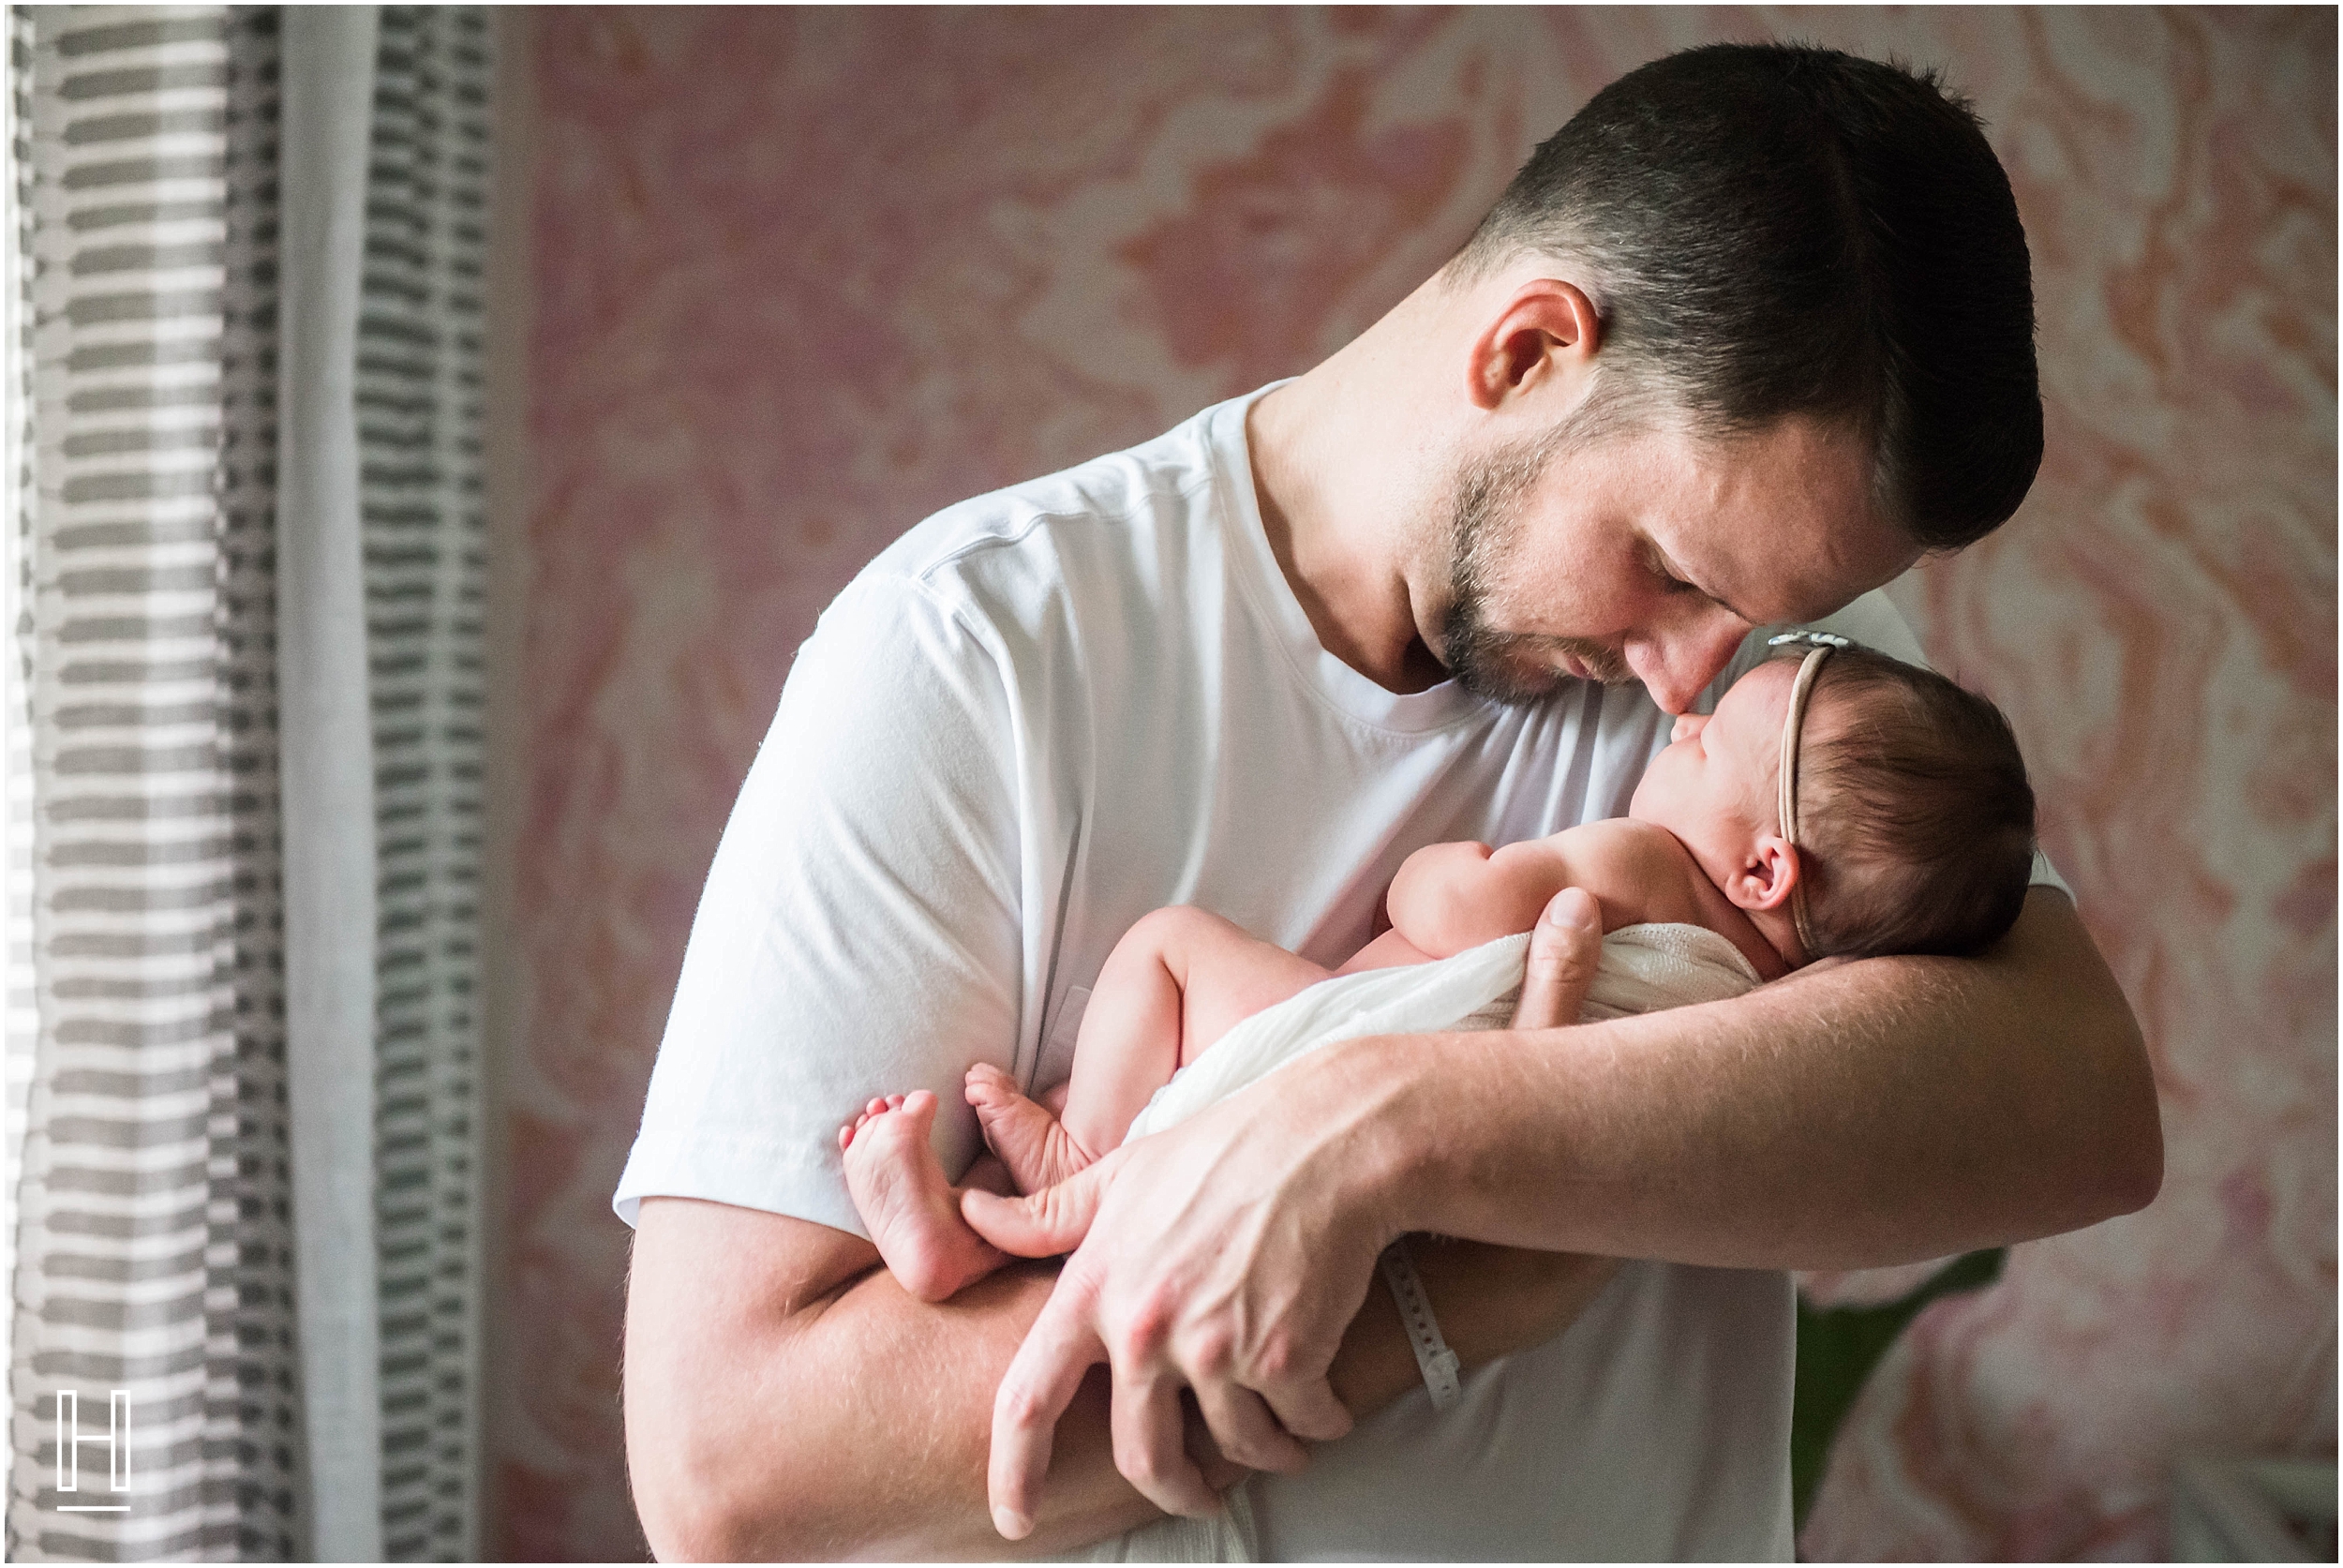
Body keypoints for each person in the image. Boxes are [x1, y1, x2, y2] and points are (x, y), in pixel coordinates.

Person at [618, 42, 2161, 1561]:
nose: (1697, 676)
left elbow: (2077, 1104)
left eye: (1759, 614)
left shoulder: (1769, 682)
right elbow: (725, 1466)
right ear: (1527, 353)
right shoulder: (976, 650)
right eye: (1675, 574)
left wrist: (1403, 1124)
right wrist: (1458, 1284)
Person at [837, 641, 2038, 1308]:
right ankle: (977, 1236)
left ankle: (1070, 1158)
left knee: (1168, 943)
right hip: (1416, 1180)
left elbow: (1464, 912)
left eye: (1706, 738)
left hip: (1334, 1048)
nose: (1677, 726)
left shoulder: (1641, 862)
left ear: (1765, 865)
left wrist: (1429, 870)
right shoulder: (1758, 1007)